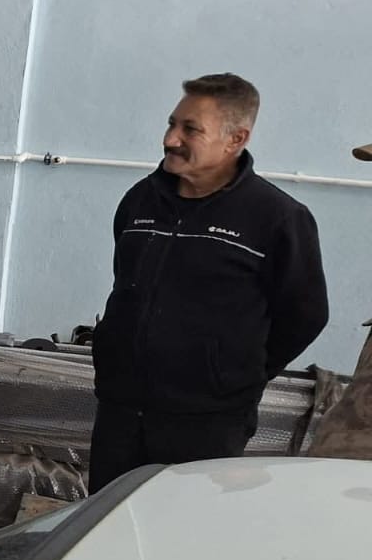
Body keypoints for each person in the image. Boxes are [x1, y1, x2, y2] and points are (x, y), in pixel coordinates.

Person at [87, 73, 329, 491]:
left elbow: (306, 315)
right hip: (120, 413)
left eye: (190, 129)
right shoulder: (140, 200)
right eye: (171, 124)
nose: (171, 139)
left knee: (185, 526)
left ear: (236, 139)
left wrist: (231, 372)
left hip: (206, 423)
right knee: (108, 521)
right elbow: (125, 284)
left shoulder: (277, 218)